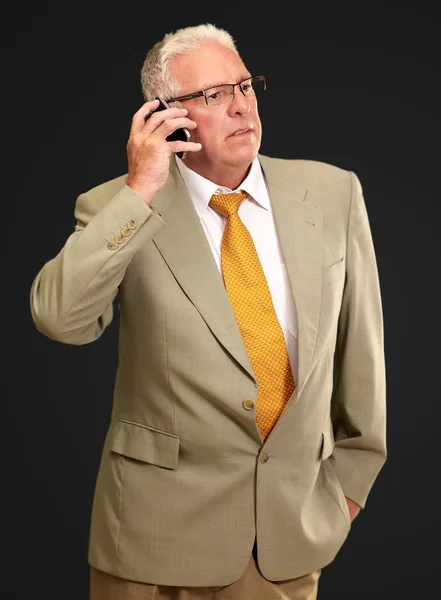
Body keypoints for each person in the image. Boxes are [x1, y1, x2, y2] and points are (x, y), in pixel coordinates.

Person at [29, 23, 387, 600]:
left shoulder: (332, 193)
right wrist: (139, 192)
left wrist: (346, 491)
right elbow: (59, 317)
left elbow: (362, 353)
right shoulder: (116, 206)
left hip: (287, 545)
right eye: (215, 95)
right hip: (152, 545)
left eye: (245, 86)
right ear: (165, 115)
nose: (241, 106)